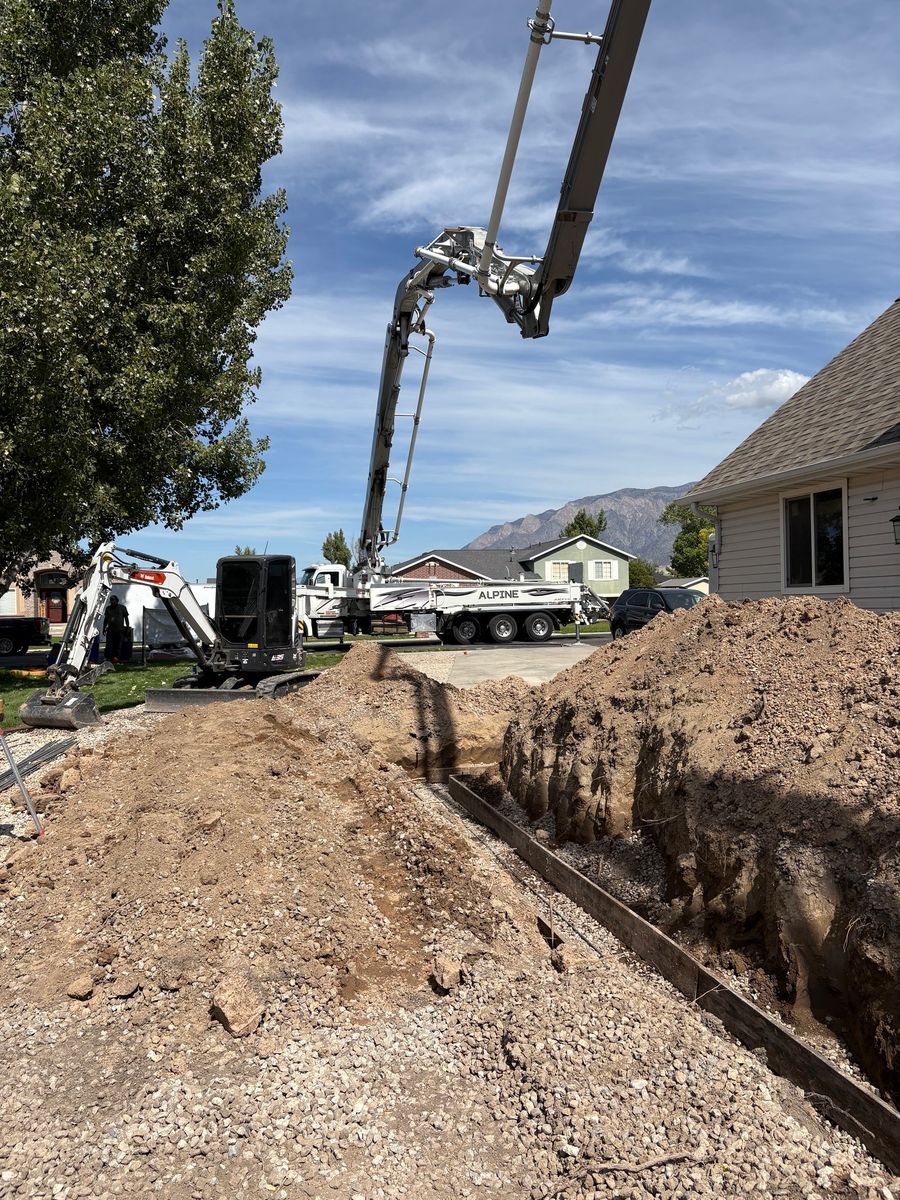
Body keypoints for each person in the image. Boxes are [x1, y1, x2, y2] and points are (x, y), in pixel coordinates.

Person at [103, 595, 130, 663]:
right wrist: (104, 628)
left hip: (120, 630)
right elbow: (106, 619)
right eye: (111, 600)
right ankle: (108, 658)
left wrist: (127, 627)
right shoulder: (108, 608)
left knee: (118, 645)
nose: (112, 602)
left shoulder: (122, 607)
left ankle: (117, 658)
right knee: (109, 645)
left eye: (113, 600)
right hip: (110, 630)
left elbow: (126, 618)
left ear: (117, 601)